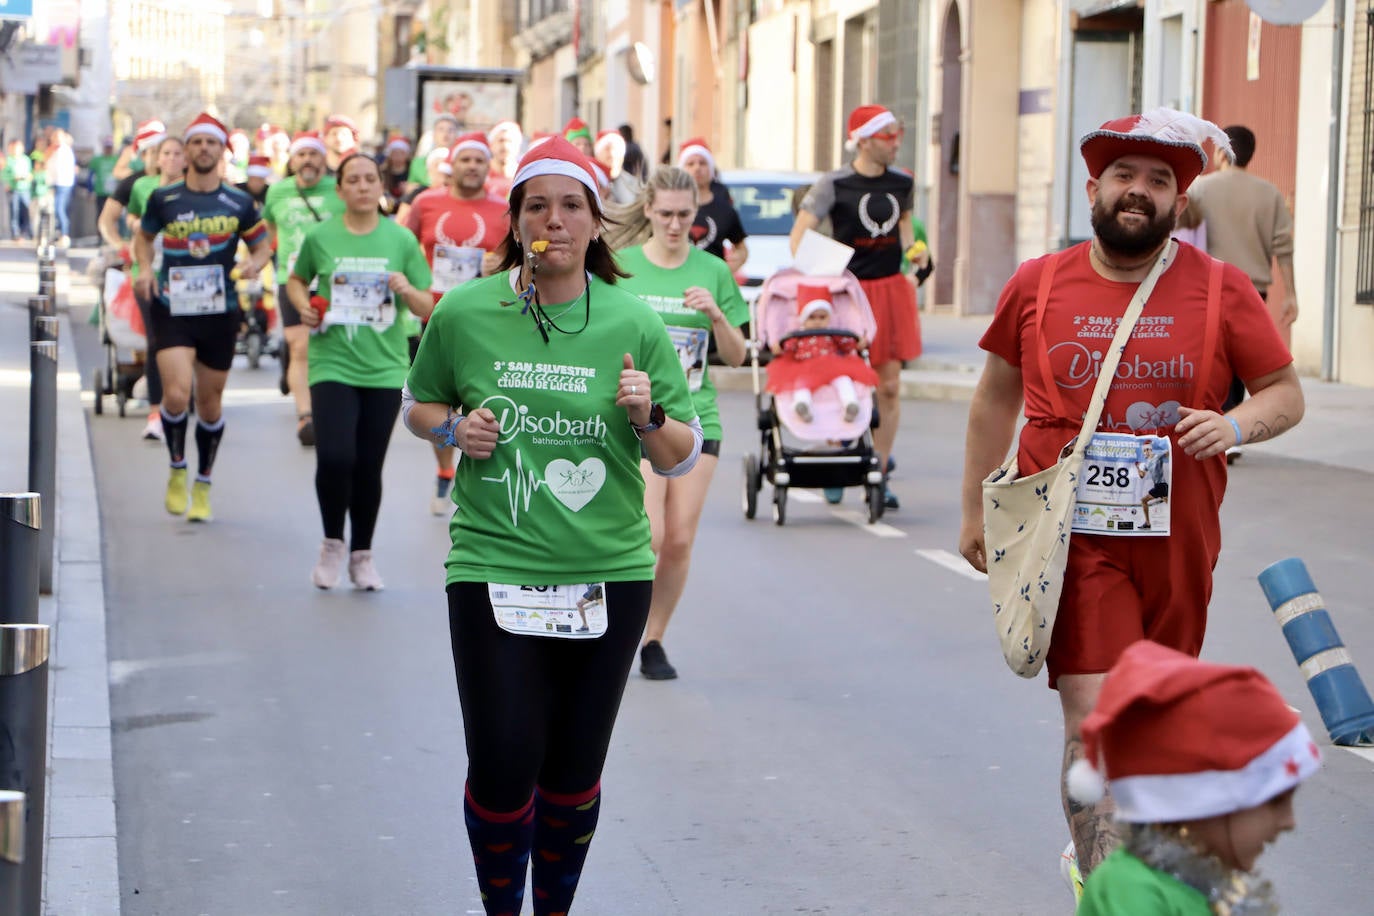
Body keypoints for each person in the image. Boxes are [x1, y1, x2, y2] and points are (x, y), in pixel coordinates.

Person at [957, 107, 1305, 891]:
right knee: (1094, 717)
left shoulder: (1219, 291)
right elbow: (993, 398)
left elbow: (1285, 393)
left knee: (1152, 717)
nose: (1137, 192)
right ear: (1093, 188)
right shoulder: (1038, 284)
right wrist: (975, 512)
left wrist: (1237, 423)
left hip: (1181, 538)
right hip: (1075, 541)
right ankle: (1106, 883)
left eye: (1158, 181)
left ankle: (1130, 857)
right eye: (1123, 176)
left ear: (1181, 203)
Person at [402, 137, 701, 915]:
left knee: (571, 773)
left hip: (607, 574)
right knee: (503, 763)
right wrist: (450, 434)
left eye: (572, 206)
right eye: (538, 205)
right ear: (516, 221)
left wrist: (648, 415)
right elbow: (420, 404)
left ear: (597, 223)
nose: (555, 221)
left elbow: (680, 454)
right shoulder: (466, 311)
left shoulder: (632, 321)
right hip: (492, 566)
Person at [606, 165, 748, 680]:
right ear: (647, 210)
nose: (673, 224)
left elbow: (736, 356)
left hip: (694, 416)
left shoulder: (712, 270)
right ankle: (620, 630)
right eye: (664, 214)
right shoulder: (621, 267)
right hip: (635, 419)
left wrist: (716, 316)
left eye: (684, 216)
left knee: (681, 539)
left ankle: (653, 639)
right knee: (652, 533)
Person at [1072, 640, 1320, 913]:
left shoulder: (1213, 886)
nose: (1289, 822)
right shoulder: (1132, 890)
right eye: (1275, 802)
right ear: (1208, 802)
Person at [290, 153, 433, 590]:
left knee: (368, 465)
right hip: (332, 359)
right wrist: (303, 307)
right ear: (340, 190)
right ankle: (333, 542)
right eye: (353, 180)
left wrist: (407, 289)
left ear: (381, 187)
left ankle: (362, 555)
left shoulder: (401, 240)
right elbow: (297, 280)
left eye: (371, 178)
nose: (363, 186)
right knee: (335, 457)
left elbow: (429, 305)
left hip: (385, 367)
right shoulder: (321, 236)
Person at [134, 113, 273, 522]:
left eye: (212, 143)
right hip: (172, 307)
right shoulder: (164, 199)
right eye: (196, 142)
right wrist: (144, 269)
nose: (203, 149)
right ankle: (178, 467)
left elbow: (263, 247)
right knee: (176, 394)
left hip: (220, 310)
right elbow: (142, 239)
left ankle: (204, 481)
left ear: (222, 151)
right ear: (186, 150)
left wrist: (254, 265)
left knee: (209, 403)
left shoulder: (239, 202)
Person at [790, 105, 919, 510]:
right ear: (863, 140)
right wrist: (825, 278)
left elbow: (907, 232)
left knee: (890, 386)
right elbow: (799, 239)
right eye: (888, 136)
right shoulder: (834, 183)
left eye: (897, 133)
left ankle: (877, 472)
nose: (896, 141)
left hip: (891, 291)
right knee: (844, 378)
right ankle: (838, 458)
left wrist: (918, 254)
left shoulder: (902, 183)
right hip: (847, 292)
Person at [404, 131, 510, 514]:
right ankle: (446, 467)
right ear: (452, 165)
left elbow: (523, 258)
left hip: (491, 320)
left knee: (485, 397)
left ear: (488, 165)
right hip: (437, 316)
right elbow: (402, 245)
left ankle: (489, 476)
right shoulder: (426, 202)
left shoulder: (504, 208)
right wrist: (417, 284)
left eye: (478, 160)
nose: (471, 166)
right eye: (464, 159)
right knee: (436, 398)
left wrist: (501, 264)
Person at [263, 130, 347, 446]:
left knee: (332, 345)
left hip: (333, 279)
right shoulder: (278, 192)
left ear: (324, 159)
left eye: (314, 154)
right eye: (301, 155)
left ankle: (332, 405)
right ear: (292, 160)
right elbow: (269, 227)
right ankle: (306, 416)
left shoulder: (339, 191)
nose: (307, 160)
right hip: (293, 278)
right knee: (300, 347)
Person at [1187, 125, 1296, 351]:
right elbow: (1284, 246)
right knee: (1242, 357)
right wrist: (1290, 294)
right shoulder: (1270, 193)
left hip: (1210, 288)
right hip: (1254, 291)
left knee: (1213, 356)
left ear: (1220, 151)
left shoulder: (1198, 189)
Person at [124, 134, 188, 442]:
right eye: (167, 153)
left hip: (186, 279)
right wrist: (136, 225)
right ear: (157, 158)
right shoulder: (142, 187)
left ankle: (179, 403)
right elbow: (133, 215)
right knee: (156, 342)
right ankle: (155, 413)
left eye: (179, 153)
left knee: (185, 344)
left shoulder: (193, 191)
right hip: (148, 276)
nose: (173, 159)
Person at [766, 283, 879, 424]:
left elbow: (846, 345)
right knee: (801, 383)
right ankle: (803, 406)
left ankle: (850, 403)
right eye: (812, 318)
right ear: (803, 319)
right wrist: (779, 347)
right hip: (806, 367)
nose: (817, 322)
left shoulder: (833, 334)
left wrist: (857, 343)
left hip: (832, 365)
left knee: (843, 380)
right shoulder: (798, 336)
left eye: (822, 317)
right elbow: (787, 349)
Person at [677, 138, 749, 274]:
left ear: (711, 169)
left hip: (711, 284)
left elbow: (741, 248)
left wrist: (729, 268)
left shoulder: (725, 210)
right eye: (690, 164)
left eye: (702, 163)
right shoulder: (669, 207)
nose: (697, 168)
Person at [395, 147, 452, 227]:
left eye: (444, 165)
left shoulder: (458, 196)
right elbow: (400, 224)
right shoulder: (417, 194)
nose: (440, 170)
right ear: (429, 170)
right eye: (436, 165)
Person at [409, 113, 461, 187]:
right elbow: (411, 189)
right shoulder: (418, 163)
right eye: (441, 129)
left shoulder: (461, 162)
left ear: (456, 135)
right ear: (434, 134)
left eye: (451, 130)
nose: (446, 134)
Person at [47, 130, 76, 247]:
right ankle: (58, 233)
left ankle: (64, 234)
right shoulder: (54, 150)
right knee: (55, 209)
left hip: (64, 184)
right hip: (55, 183)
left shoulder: (65, 150)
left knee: (60, 208)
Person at [594, 129, 639, 205]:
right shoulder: (592, 181)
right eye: (607, 149)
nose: (612, 154)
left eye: (616, 148)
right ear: (597, 154)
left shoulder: (633, 184)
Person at [1136, 438, 1169, 530]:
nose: (1144, 453)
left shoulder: (1158, 456)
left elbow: (1168, 452)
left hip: (1161, 485)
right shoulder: (1147, 463)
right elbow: (1142, 475)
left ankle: (1147, 523)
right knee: (1168, 503)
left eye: (1145, 451)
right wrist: (1138, 468)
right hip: (1158, 486)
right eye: (1143, 451)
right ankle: (1147, 523)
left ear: (1148, 450)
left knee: (1143, 501)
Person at [3, 140, 33, 241]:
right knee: (14, 212)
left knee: (25, 211)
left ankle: (25, 232)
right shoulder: (8, 161)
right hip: (13, 189)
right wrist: (12, 178)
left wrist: (28, 177)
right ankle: (15, 233)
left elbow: (30, 172)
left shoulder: (26, 160)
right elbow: (3, 175)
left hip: (24, 189)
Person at [486, 120, 523, 199]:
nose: (505, 146)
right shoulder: (481, 174)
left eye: (510, 141)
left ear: (518, 146)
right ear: (491, 145)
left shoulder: (525, 175)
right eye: (501, 140)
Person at [87, 137, 119, 222]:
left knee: (112, 214)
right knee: (100, 212)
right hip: (100, 191)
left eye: (110, 147)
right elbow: (91, 176)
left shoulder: (116, 159)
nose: (108, 149)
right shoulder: (97, 160)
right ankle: (100, 232)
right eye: (107, 147)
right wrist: (90, 190)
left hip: (113, 192)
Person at [379, 134, 413, 213]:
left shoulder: (412, 172)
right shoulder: (383, 172)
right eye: (395, 153)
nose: (398, 157)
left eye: (401, 153)